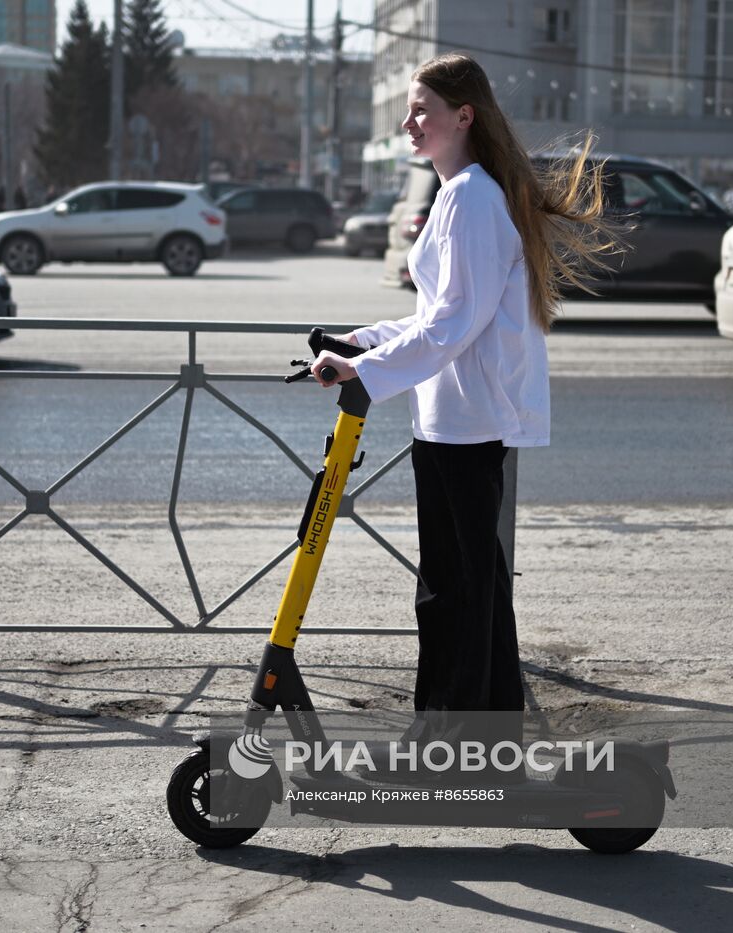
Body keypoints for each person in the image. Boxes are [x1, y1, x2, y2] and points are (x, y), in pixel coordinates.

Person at [309, 53, 617, 755]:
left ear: (463, 116)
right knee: (464, 584)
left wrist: (366, 371)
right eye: (410, 109)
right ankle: (481, 731)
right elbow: (439, 315)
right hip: (450, 416)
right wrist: (361, 344)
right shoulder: (462, 194)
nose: (409, 121)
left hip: (468, 418)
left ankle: (454, 737)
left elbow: (455, 323)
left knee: (456, 589)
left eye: (422, 109)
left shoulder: (473, 197)